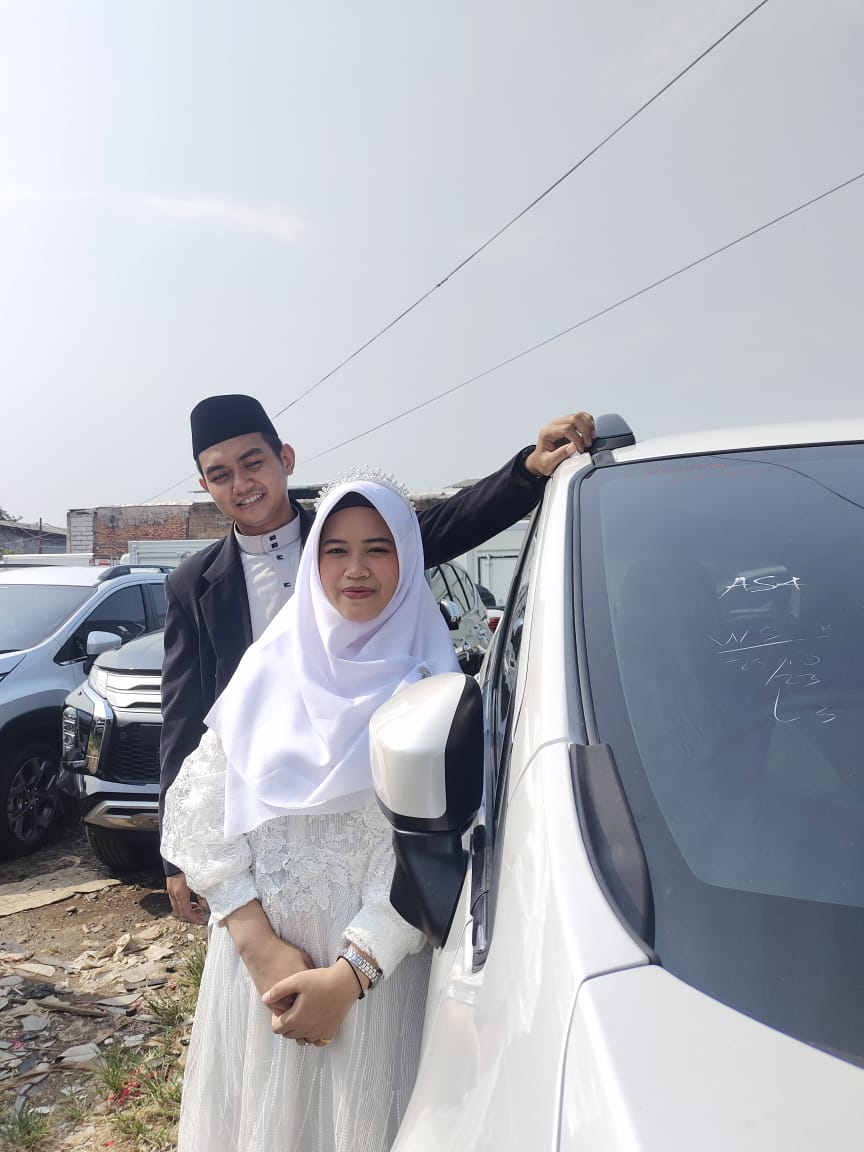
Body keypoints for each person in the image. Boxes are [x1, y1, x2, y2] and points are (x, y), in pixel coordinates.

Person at [161, 393, 596, 921]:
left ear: (285, 459)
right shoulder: (192, 585)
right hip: (267, 824)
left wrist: (528, 470)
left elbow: (454, 521)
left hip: (373, 812)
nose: (241, 484)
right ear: (204, 485)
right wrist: (177, 857)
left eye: (252, 463)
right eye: (220, 475)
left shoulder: (352, 527)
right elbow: (184, 715)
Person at [160, 472, 464, 1152]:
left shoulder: (437, 692)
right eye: (336, 549)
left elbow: (433, 854)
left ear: (409, 558)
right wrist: (255, 943)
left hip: (373, 988)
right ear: (312, 558)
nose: (356, 569)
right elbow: (203, 813)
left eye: (379, 549)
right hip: (259, 977)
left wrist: (351, 976)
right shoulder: (269, 668)